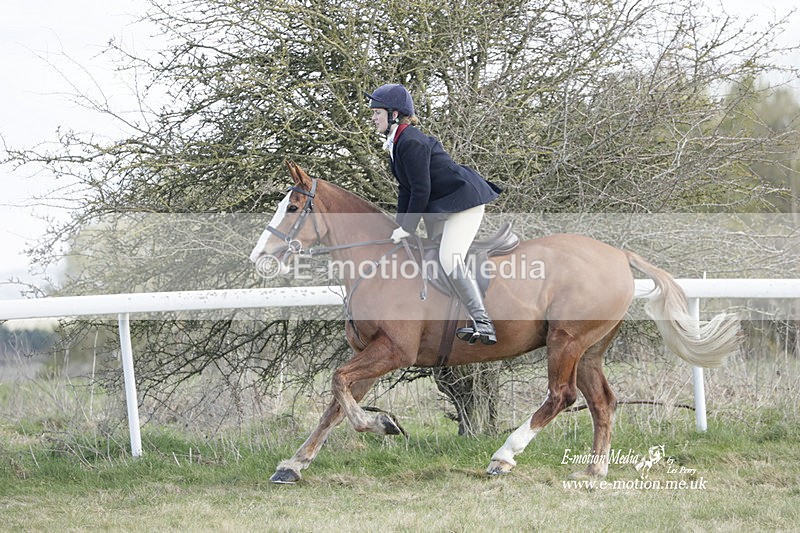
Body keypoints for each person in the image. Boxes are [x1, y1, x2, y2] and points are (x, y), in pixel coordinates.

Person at [365, 83, 502, 345]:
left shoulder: (411, 141)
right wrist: (399, 226)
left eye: (377, 112)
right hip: (443, 206)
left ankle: (484, 322)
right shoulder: (398, 142)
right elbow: (406, 190)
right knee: (430, 260)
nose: (373, 118)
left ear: (394, 114)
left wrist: (407, 227)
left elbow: (421, 189)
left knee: (449, 259)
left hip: (463, 202)